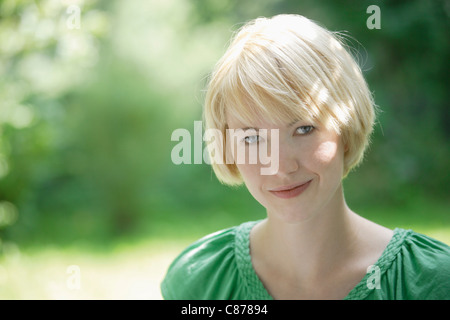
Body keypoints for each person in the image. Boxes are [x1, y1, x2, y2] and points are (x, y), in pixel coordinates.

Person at [160, 14, 450, 300]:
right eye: (252, 137)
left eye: (304, 129)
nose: (282, 166)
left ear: (345, 130)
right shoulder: (199, 281)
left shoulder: (431, 282)